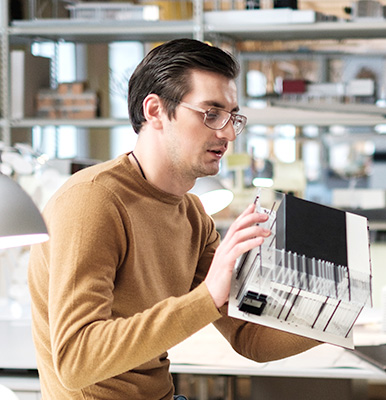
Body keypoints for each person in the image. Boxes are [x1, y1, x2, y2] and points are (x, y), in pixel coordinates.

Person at [28, 38, 319, 400]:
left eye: (232, 117)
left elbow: (250, 337)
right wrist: (208, 295)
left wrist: (337, 316)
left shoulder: (193, 215)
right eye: (211, 113)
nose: (227, 133)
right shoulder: (93, 201)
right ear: (155, 111)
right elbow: (77, 360)